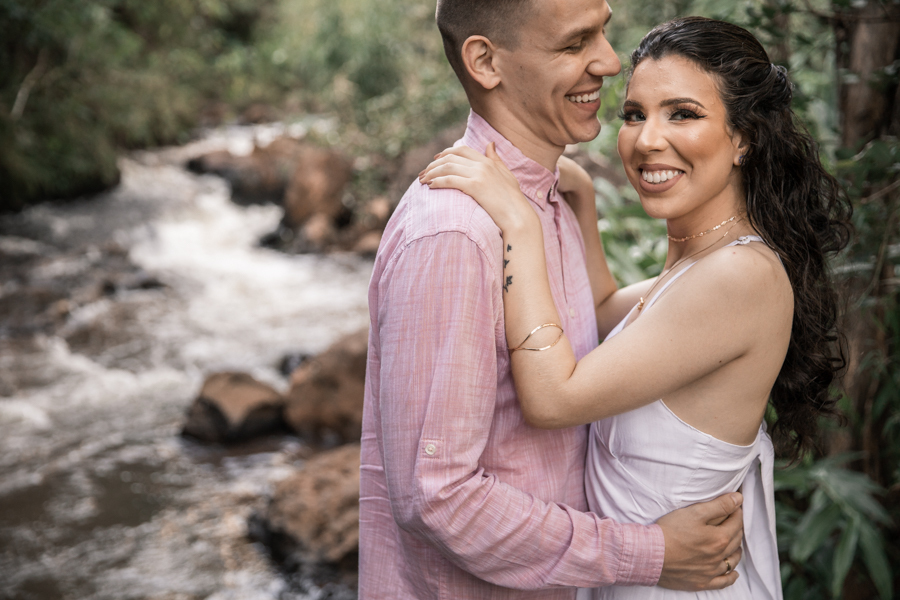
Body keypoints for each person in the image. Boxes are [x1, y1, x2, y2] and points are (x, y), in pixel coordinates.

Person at [419, 15, 852, 600]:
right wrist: (580, 196)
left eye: (683, 114)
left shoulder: (739, 277)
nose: (647, 139)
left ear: (744, 137)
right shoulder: (704, 263)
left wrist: (520, 224)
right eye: (633, 114)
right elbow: (603, 312)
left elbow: (554, 399)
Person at [359, 3, 749, 599]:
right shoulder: (457, 233)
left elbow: (601, 319)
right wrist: (649, 552)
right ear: (485, 62)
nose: (610, 62)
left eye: (603, 31)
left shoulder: (550, 198)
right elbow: (438, 497)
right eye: (574, 44)